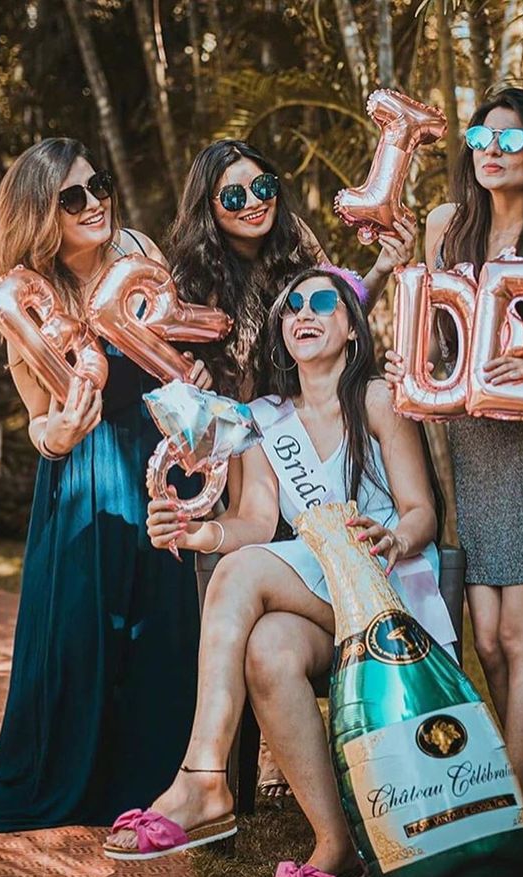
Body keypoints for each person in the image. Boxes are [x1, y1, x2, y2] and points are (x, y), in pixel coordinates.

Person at [104, 267, 456, 877]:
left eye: (323, 301)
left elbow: (420, 510)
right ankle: (337, 843)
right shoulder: (264, 419)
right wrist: (196, 532)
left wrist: (395, 539)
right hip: (322, 593)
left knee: (246, 575)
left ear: (352, 326)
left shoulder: (377, 398)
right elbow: (256, 524)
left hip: (388, 588)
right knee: (269, 648)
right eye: (290, 306)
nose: (304, 312)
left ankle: (204, 777)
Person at [0, 137, 210, 831]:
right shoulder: (25, 298)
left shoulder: (137, 249)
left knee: (160, 623)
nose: (95, 202)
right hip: (83, 475)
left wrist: (194, 380)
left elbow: (175, 351)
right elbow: (39, 423)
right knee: (80, 635)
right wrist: (60, 437)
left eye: (97, 185)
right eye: (73, 197)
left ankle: (157, 782)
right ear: (42, 213)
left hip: (156, 458)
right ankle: (74, 780)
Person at [385, 88, 523, 834]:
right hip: (471, 454)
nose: (489, 148)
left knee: (522, 636)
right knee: (485, 638)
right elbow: (431, 334)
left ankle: (507, 811)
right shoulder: (446, 228)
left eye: (509, 139)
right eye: (480, 134)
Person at [168, 138, 416, 796]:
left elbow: (334, 305)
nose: (252, 203)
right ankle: (239, 774)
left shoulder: (298, 247)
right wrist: (189, 378)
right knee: (236, 571)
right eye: (232, 195)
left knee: (254, 575)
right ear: (208, 209)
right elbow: (172, 372)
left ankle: (227, 772)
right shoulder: (191, 278)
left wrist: (386, 267)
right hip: (241, 446)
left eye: (262, 186)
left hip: (307, 436)